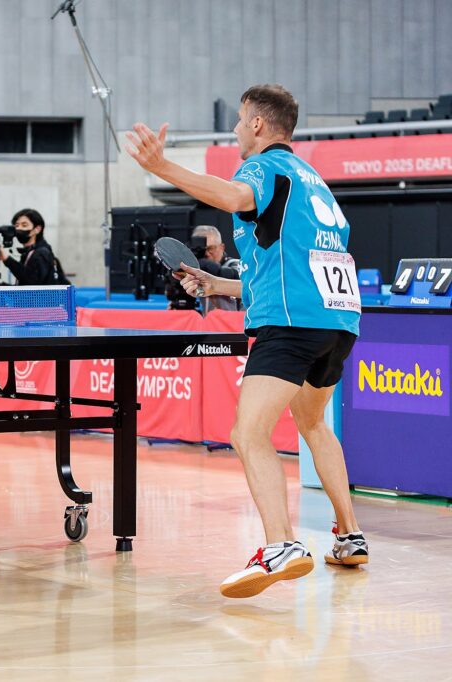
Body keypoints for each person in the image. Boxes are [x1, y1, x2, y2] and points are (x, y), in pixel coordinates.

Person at [127, 84, 368, 598]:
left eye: (240, 121)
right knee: (313, 424)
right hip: (337, 321)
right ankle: (350, 536)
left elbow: (235, 197)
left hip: (292, 324)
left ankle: (282, 545)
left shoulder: (264, 167)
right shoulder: (313, 183)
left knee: (247, 433)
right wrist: (217, 285)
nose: (236, 130)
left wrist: (161, 168)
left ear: (258, 124)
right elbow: (291, 268)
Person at [0, 208, 66, 285]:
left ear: (37, 229)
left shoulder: (42, 253)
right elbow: (24, 285)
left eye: (24, 225)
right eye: (16, 225)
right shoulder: (29, 252)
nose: (19, 228)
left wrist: (6, 259)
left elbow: (32, 283)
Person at [190, 224, 242, 313]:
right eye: (202, 250)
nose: (206, 254)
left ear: (222, 248)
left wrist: (201, 264)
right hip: (208, 320)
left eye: (211, 248)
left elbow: (238, 278)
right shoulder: (194, 273)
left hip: (234, 320)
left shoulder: (236, 264)